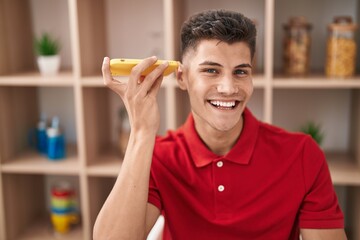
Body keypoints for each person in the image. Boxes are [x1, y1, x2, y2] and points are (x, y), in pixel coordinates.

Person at [93, 9, 347, 239]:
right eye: (211, 70)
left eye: (240, 72)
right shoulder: (157, 156)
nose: (228, 88)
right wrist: (141, 132)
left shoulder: (302, 155)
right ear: (182, 77)